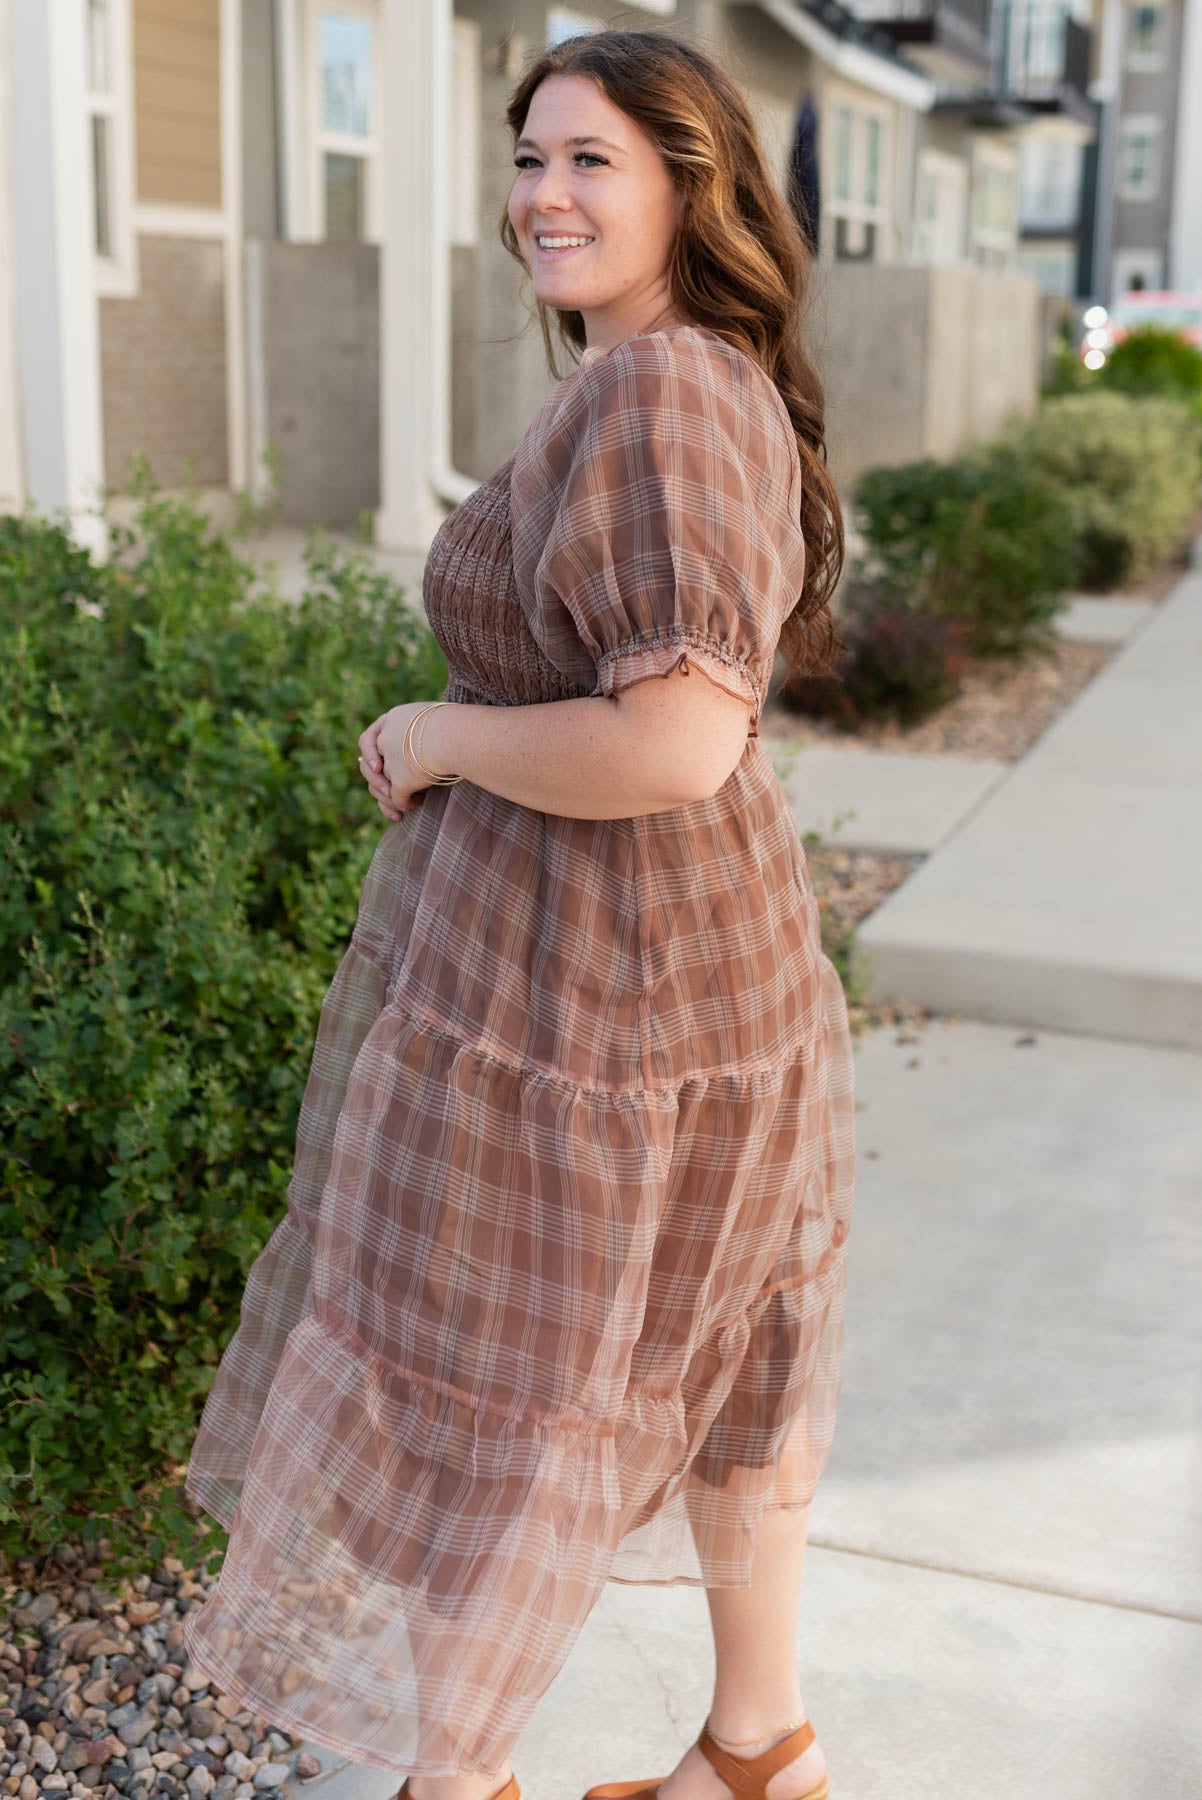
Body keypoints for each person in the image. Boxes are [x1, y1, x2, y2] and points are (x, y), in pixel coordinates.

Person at [181, 27, 855, 1800]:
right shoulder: (665, 378)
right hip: (645, 970)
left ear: (688, 190)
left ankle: (452, 1777)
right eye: (530, 156)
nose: (541, 196)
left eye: (590, 161)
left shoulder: (662, 391)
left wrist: (438, 734)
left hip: (603, 997)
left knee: (487, 1369)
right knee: (713, 1357)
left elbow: (681, 734)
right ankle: (753, 1749)